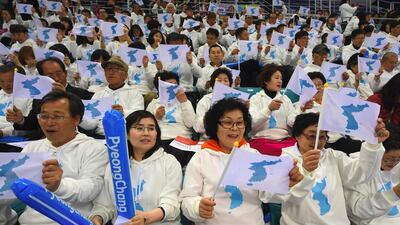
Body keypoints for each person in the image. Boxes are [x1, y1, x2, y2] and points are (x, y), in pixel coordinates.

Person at [180, 98, 310, 225]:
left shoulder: (253, 156)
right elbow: (187, 199)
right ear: (215, 126)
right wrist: (197, 207)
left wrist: (287, 184)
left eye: (239, 122)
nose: (235, 128)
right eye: (228, 122)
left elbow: (270, 196)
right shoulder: (201, 158)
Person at [280, 113, 389, 225]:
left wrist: (372, 144)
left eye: (322, 136)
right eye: (312, 136)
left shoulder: (333, 156)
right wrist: (304, 171)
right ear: (297, 136)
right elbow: (279, 197)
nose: (318, 141)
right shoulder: (285, 159)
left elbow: (360, 174)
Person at [19, 91, 108, 224]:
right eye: (44, 116)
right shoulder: (31, 148)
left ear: (76, 119)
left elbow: (91, 188)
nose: (49, 122)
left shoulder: (95, 149)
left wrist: (59, 185)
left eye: (57, 116)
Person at [90, 110, 182, 225]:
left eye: (151, 128)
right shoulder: (115, 164)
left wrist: (146, 218)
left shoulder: (169, 162)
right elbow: (104, 205)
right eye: (139, 128)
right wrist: (97, 218)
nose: (146, 133)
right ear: (127, 134)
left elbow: (171, 203)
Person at [6, 57, 94, 140]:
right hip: (43, 141)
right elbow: (34, 123)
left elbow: (89, 125)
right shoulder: (40, 97)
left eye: (59, 73)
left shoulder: (82, 94)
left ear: (65, 73)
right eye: (50, 76)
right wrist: (20, 120)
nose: (56, 79)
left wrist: (65, 97)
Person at [345, 124, 400, 225]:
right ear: (378, 152)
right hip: (375, 221)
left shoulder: (397, 166)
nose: (394, 163)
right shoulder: (356, 172)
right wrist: (394, 194)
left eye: (398, 159)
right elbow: (357, 212)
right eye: (389, 159)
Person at [249, 64, 306, 156]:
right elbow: (252, 123)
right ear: (266, 80)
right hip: (262, 140)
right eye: (276, 78)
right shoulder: (255, 99)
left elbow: (292, 122)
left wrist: (301, 109)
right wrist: (268, 109)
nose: (280, 81)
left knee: (300, 148)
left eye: (281, 78)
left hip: (285, 140)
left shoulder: (285, 99)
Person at [80, 56, 144, 136]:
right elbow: (92, 124)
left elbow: (139, 116)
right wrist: (79, 118)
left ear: (125, 75)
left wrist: (123, 112)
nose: (110, 72)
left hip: (126, 137)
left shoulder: (135, 93)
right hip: (101, 136)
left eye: (115, 69)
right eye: (108, 69)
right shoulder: (98, 94)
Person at [0, 63, 32, 138]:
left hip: (15, 137)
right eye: (2, 81)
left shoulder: (29, 96)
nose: (6, 84)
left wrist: (3, 132)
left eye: (10, 81)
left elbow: (29, 125)